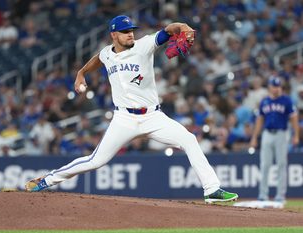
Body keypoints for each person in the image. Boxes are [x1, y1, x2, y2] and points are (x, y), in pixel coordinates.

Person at [25, 15, 238, 203]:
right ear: (113, 35)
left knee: (189, 140)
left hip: (153, 116)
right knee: (95, 161)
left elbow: (168, 31)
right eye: (125, 32)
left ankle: (211, 190)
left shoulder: (144, 45)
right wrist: (81, 73)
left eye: (131, 31)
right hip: (124, 119)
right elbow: (96, 60)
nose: (130, 35)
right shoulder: (107, 54)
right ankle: (47, 180)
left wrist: (183, 27)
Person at [250, 76, 299, 203]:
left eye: (278, 86)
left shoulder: (286, 100)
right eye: (274, 86)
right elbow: (259, 120)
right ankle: (263, 194)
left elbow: (294, 118)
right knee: (265, 164)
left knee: (281, 164)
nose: (276, 89)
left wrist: (296, 135)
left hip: (281, 134)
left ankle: (280, 195)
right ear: (269, 87)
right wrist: (254, 137)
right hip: (267, 134)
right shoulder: (264, 101)